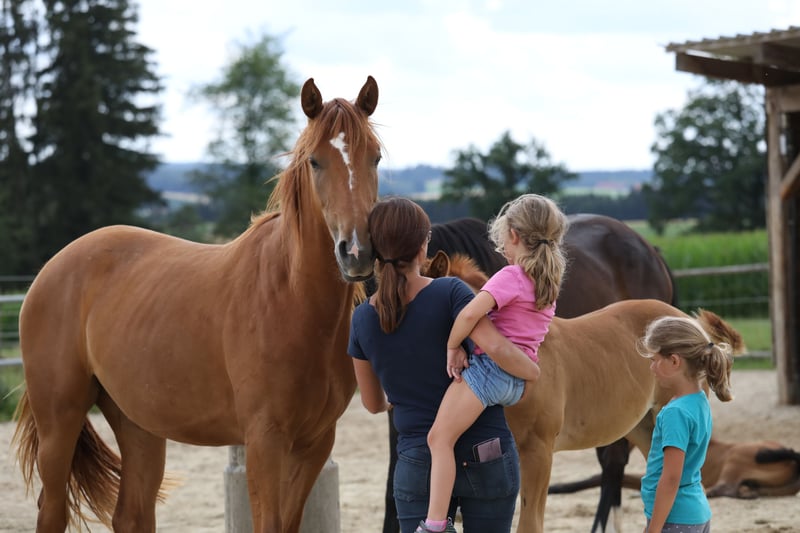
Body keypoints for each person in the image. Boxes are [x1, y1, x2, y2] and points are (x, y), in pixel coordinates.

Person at [348, 196, 537, 533]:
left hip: (416, 460)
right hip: (486, 451)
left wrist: (404, 395)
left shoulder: (362, 319)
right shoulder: (452, 292)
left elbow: (374, 404)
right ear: (423, 247)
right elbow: (498, 350)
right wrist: (531, 372)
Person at [423, 193, 568, 532]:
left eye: (504, 236)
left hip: (490, 372)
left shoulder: (511, 276)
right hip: (517, 383)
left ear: (513, 235)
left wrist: (452, 345)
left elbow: (469, 313)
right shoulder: (547, 281)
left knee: (438, 439)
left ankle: (434, 524)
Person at [638, 315, 735, 533]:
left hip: (675, 519)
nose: (651, 367)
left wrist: (654, 529)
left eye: (654, 360)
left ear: (674, 361)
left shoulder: (676, 413)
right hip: (695, 514)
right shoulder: (699, 400)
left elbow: (671, 478)